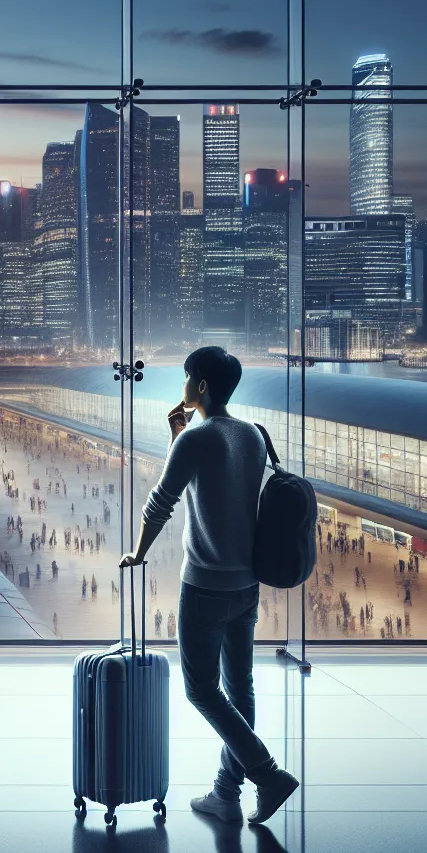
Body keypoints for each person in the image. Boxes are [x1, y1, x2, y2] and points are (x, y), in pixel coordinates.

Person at [120, 346, 300, 826]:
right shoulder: (253, 435)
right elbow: (218, 482)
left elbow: (161, 503)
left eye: (186, 376)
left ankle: (267, 774)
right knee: (240, 688)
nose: (183, 384)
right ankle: (226, 792)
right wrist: (182, 436)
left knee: (201, 690)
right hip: (246, 586)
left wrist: (137, 554)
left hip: (204, 586)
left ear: (200, 386)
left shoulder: (195, 440)